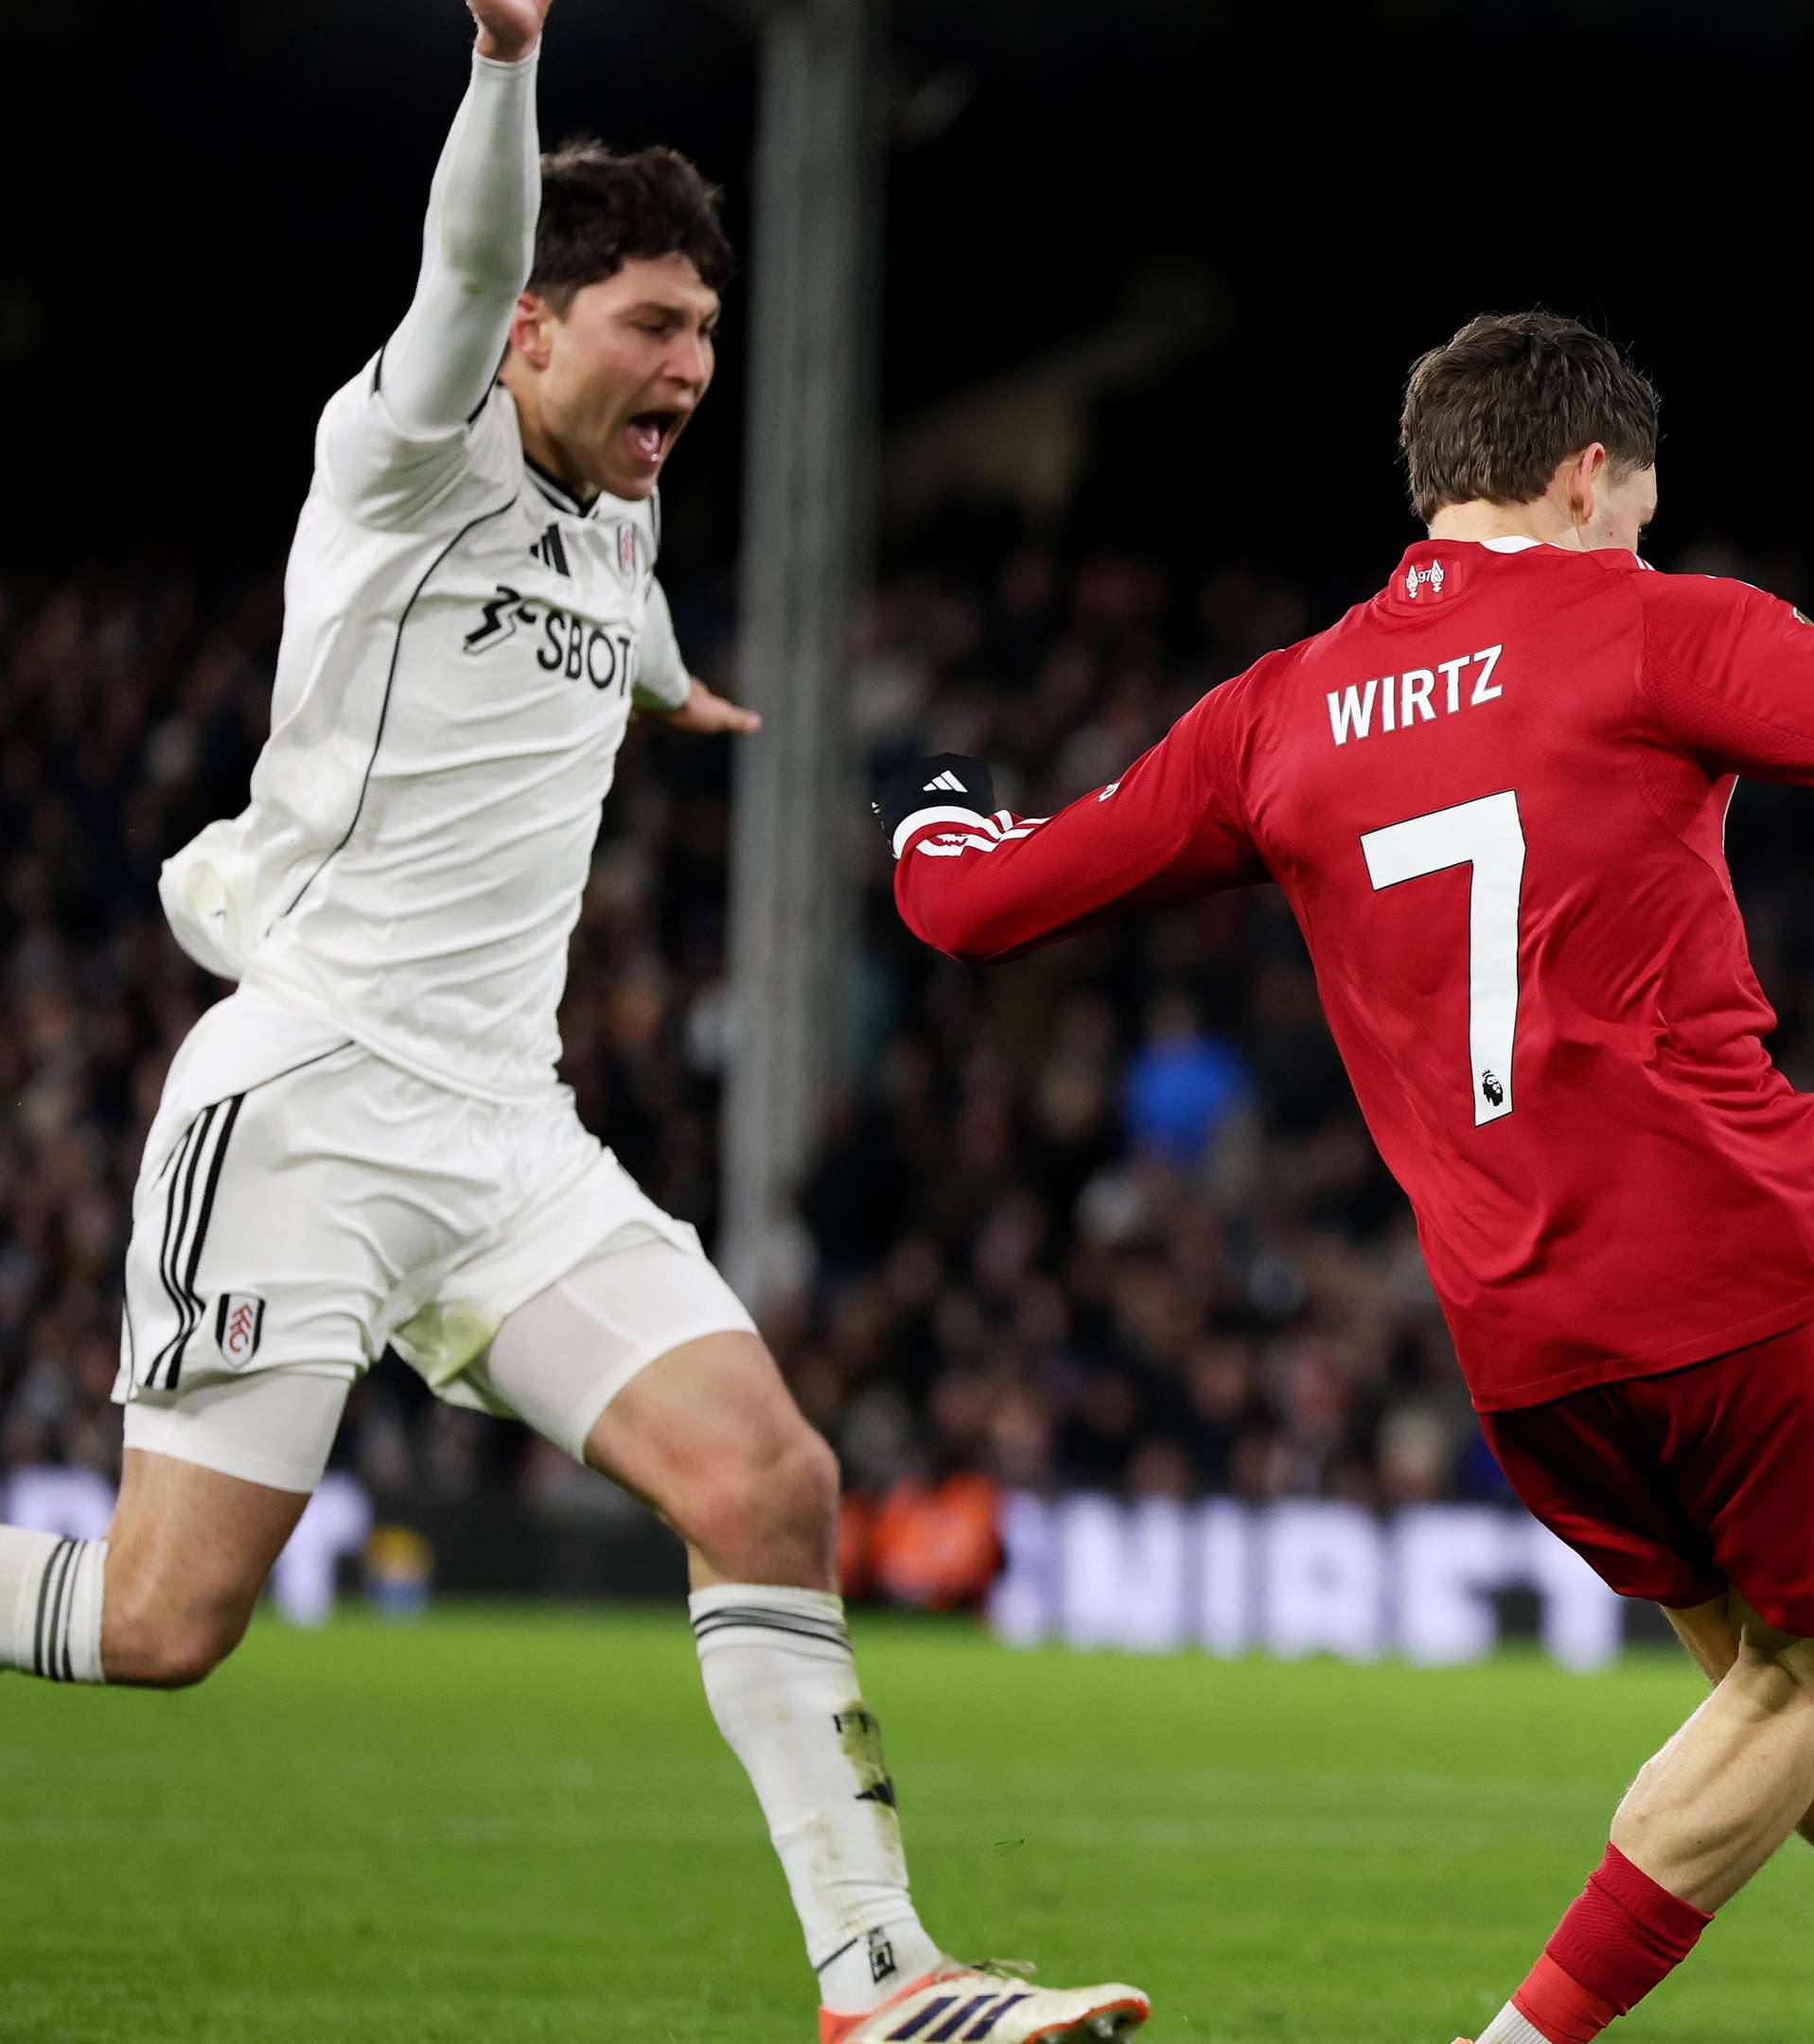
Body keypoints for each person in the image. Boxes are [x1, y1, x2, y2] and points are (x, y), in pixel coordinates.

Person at [877, 309, 1814, 2044]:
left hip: (1517, 1330)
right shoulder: (1647, 628)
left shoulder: (1277, 712)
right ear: (1583, 472)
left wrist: (933, 801)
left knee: (1773, 1690)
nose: (1645, 535)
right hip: (1738, 1268)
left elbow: (974, 905)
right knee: (1808, 1681)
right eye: (1641, 506)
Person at [0, 9, 1146, 2040]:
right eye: (650, 324)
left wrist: (670, 682)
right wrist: (507, 63)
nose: (690, 366)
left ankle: (884, 1983)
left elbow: (616, 596)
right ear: (531, 333)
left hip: (512, 1140)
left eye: (706, 329)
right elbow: (460, 264)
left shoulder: (620, 515)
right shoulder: (410, 450)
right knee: (164, 1622)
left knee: (770, 1480)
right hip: (310, 1104)